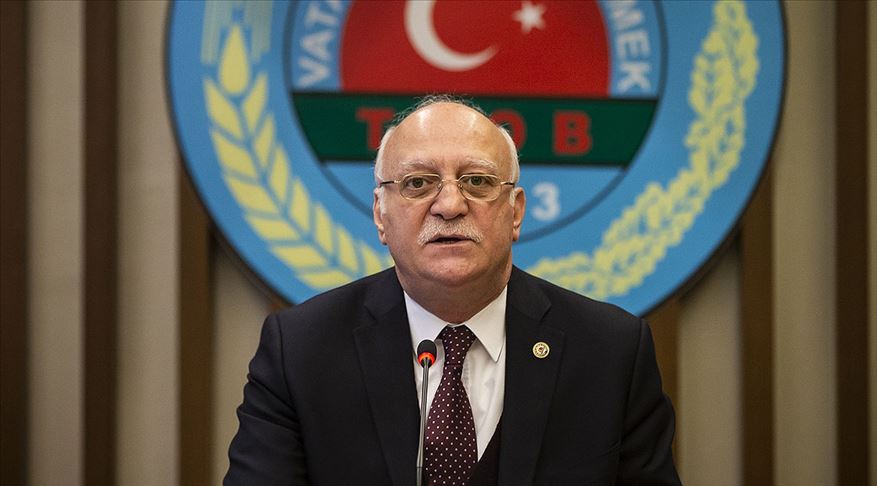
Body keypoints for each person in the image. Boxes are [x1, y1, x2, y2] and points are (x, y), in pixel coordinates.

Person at [224, 96, 681, 485]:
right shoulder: (301, 351)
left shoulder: (610, 351)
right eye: (418, 183)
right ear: (381, 215)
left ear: (516, 212)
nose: (449, 205)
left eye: (477, 182)